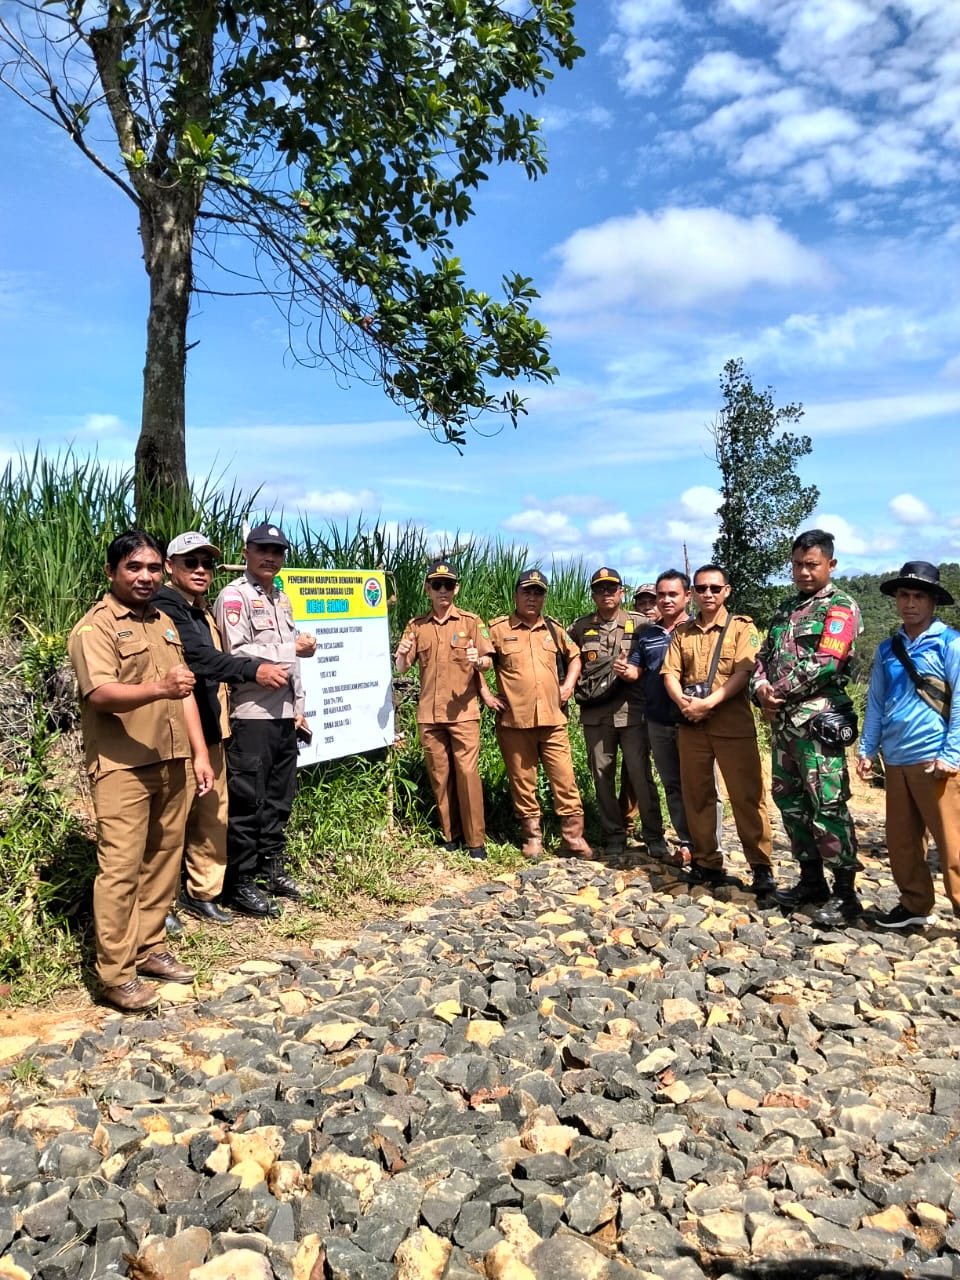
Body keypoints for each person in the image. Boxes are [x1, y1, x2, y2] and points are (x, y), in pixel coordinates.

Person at [68, 530, 214, 1012]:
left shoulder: (163, 622)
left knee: (163, 861)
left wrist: (200, 754)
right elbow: (101, 695)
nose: (145, 576)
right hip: (123, 767)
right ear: (111, 572)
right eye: (134, 567)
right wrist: (159, 688)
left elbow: (184, 692)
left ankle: (149, 948)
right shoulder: (96, 628)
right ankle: (116, 974)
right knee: (121, 869)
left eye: (152, 567)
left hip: (173, 760)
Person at [154, 531, 292, 925]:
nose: (200, 570)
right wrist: (254, 670)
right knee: (171, 822)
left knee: (212, 818)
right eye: (190, 562)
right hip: (178, 731)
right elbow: (202, 659)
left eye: (207, 563)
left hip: (213, 727)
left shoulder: (200, 610)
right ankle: (160, 905)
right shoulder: (165, 606)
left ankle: (203, 893)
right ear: (170, 566)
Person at [752, 529, 862, 926]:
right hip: (784, 727)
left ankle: (845, 894)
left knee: (827, 805)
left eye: (811, 564)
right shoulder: (786, 609)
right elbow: (762, 657)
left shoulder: (840, 606)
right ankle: (811, 881)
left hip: (818, 724)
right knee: (792, 804)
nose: (803, 571)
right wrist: (760, 688)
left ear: (830, 564)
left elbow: (828, 661)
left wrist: (778, 690)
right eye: (797, 564)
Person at [213, 522, 309, 916]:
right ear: (246, 552)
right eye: (262, 549)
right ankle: (239, 883)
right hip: (251, 714)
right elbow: (234, 652)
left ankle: (271, 870)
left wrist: (299, 705)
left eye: (277, 551)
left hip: (283, 715)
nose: (271, 557)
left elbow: (293, 664)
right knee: (247, 802)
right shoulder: (234, 596)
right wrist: (291, 648)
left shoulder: (281, 599)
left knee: (277, 800)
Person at [858, 561, 960, 928]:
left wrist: (952, 754)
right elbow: (876, 702)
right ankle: (915, 904)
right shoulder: (889, 649)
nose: (910, 603)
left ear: (933, 602)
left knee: (953, 843)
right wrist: (868, 749)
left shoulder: (950, 644)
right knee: (902, 841)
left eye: (919, 596)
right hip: (896, 759)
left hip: (935, 758)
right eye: (904, 595)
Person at [662, 564, 775, 894]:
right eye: (701, 588)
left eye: (714, 588)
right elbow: (670, 673)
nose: (707, 594)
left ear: (726, 591)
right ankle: (706, 862)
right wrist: (683, 702)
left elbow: (744, 672)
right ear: (692, 593)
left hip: (732, 725)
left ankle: (761, 866)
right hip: (692, 726)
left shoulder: (742, 628)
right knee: (698, 796)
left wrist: (707, 703)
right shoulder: (682, 633)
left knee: (747, 796)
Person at [488, 568, 592, 858]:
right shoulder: (498, 629)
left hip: (553, 720)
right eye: (527, 592)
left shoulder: (554, 629)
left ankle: (573, 838)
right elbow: (479, 662)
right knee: (523, 783)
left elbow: (576, 657)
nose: (532, 597)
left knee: (565, 780)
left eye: (538, 592)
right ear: (516, 595)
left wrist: (568, 686)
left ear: (544, 597)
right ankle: (532, 838)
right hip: (515, 721)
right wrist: (486, 694)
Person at [394, 559, 494, 860]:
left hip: (463, 714)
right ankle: (451, 835)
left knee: (467, 774)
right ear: (428, 589)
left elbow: (487, 662)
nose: (443, 591)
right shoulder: (417, 626)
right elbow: (403, 667)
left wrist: (478, 661)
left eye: (448, 585)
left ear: (456, 589)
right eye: (437, 585)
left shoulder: (470, 622)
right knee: (440, 776)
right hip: (429, 714)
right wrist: (401, 655)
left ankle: (475, 841)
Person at [567, 567, 666, 857]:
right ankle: (614, 834)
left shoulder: (641, 624)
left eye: (612, 588)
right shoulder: (580, 628)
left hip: (632, 712)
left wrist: (637, 672)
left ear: (621, 592)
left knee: (639, 775)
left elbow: (659, 656)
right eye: (600, 589)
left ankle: (654, 835)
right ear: (593, 595)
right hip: (596, 714)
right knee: (602, 776)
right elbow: (566, 659)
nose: (606, 594)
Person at [621, 569, 717, 868]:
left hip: (693, 719)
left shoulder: (698, 629)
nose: (665, 600)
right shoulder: (648, 634)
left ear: (688, 596)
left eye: (672, 594)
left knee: (702, 785)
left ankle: (710, 845)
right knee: (673, 785)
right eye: (661, 595)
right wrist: (626, 670)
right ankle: (687, 842)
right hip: (658, 720)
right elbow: (638, 669)